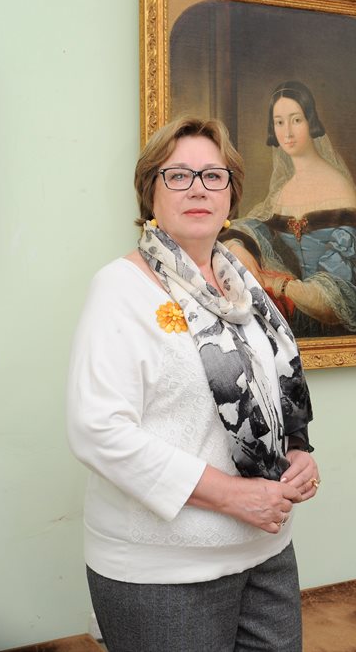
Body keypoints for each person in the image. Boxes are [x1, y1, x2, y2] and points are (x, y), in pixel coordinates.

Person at [67, 116, 319, 652]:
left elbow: (274, 391)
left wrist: (297, 450)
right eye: (178, 175)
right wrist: (233, 497)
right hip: (164, 572)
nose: (198, 188)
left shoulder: (244, 287)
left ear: (231, 194)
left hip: (267, 551)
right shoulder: (120, 289)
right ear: (150, 192)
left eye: (213, 175)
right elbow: (98, 431)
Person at [222, 80, 356, 338]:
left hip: (332, 317)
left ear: (310, 121)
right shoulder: (283, 190)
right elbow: (254, 227)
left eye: (296, 120)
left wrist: (278, 285)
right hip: (295, 314)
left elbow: (338, 294)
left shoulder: (337, 187)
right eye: (279, 122)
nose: (287, 132)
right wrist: (237, 245)